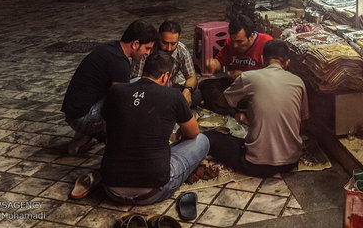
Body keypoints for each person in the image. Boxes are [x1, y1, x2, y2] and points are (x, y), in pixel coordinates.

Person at [101, 53, 209, 205]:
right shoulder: (174, 96)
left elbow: (107, 129)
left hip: (110, 189)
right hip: (152, 192)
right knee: (202, 140)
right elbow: (193, 133)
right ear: (165, 76)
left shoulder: (115, 91)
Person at [205, 40, 309, 178]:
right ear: (287, 62)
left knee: (210, 137)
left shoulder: (249, 77)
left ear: (261, 59)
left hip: (256, 164)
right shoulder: (299, 82)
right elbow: (302, 123)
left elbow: (223, 102)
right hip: (291, 161)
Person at [61, 20, 157, 155]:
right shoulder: (120, 64)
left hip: (75, 112)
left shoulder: (112, 48)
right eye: (146, 48)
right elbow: (118, 104)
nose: (147, 53)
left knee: (137, 83)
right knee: (135, 95)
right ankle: (99, 136)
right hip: (81, 117)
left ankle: (83, 138)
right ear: (135, 44)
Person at [200, 14, 272, 115]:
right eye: (233, 40)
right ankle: (236, 110)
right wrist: (214, 64)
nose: (235, 45)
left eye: (239, 41)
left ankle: (232, 110)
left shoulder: (266, 43)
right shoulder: (231, 42)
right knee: (205, 85)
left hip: (256, 88)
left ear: (251, 36)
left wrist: (245, 76)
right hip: (235, 86)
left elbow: (273, 76)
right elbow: (220, 61)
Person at [132, 20, 200, 107]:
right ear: (158, 37)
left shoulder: (181, 50)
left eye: (173, 43)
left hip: (169, 89)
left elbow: (191, 77)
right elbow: (136, 80)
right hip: (148, 91)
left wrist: (187, 90)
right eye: (164, 43)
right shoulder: (147, 49)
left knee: (196, 94)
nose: (169, 48)